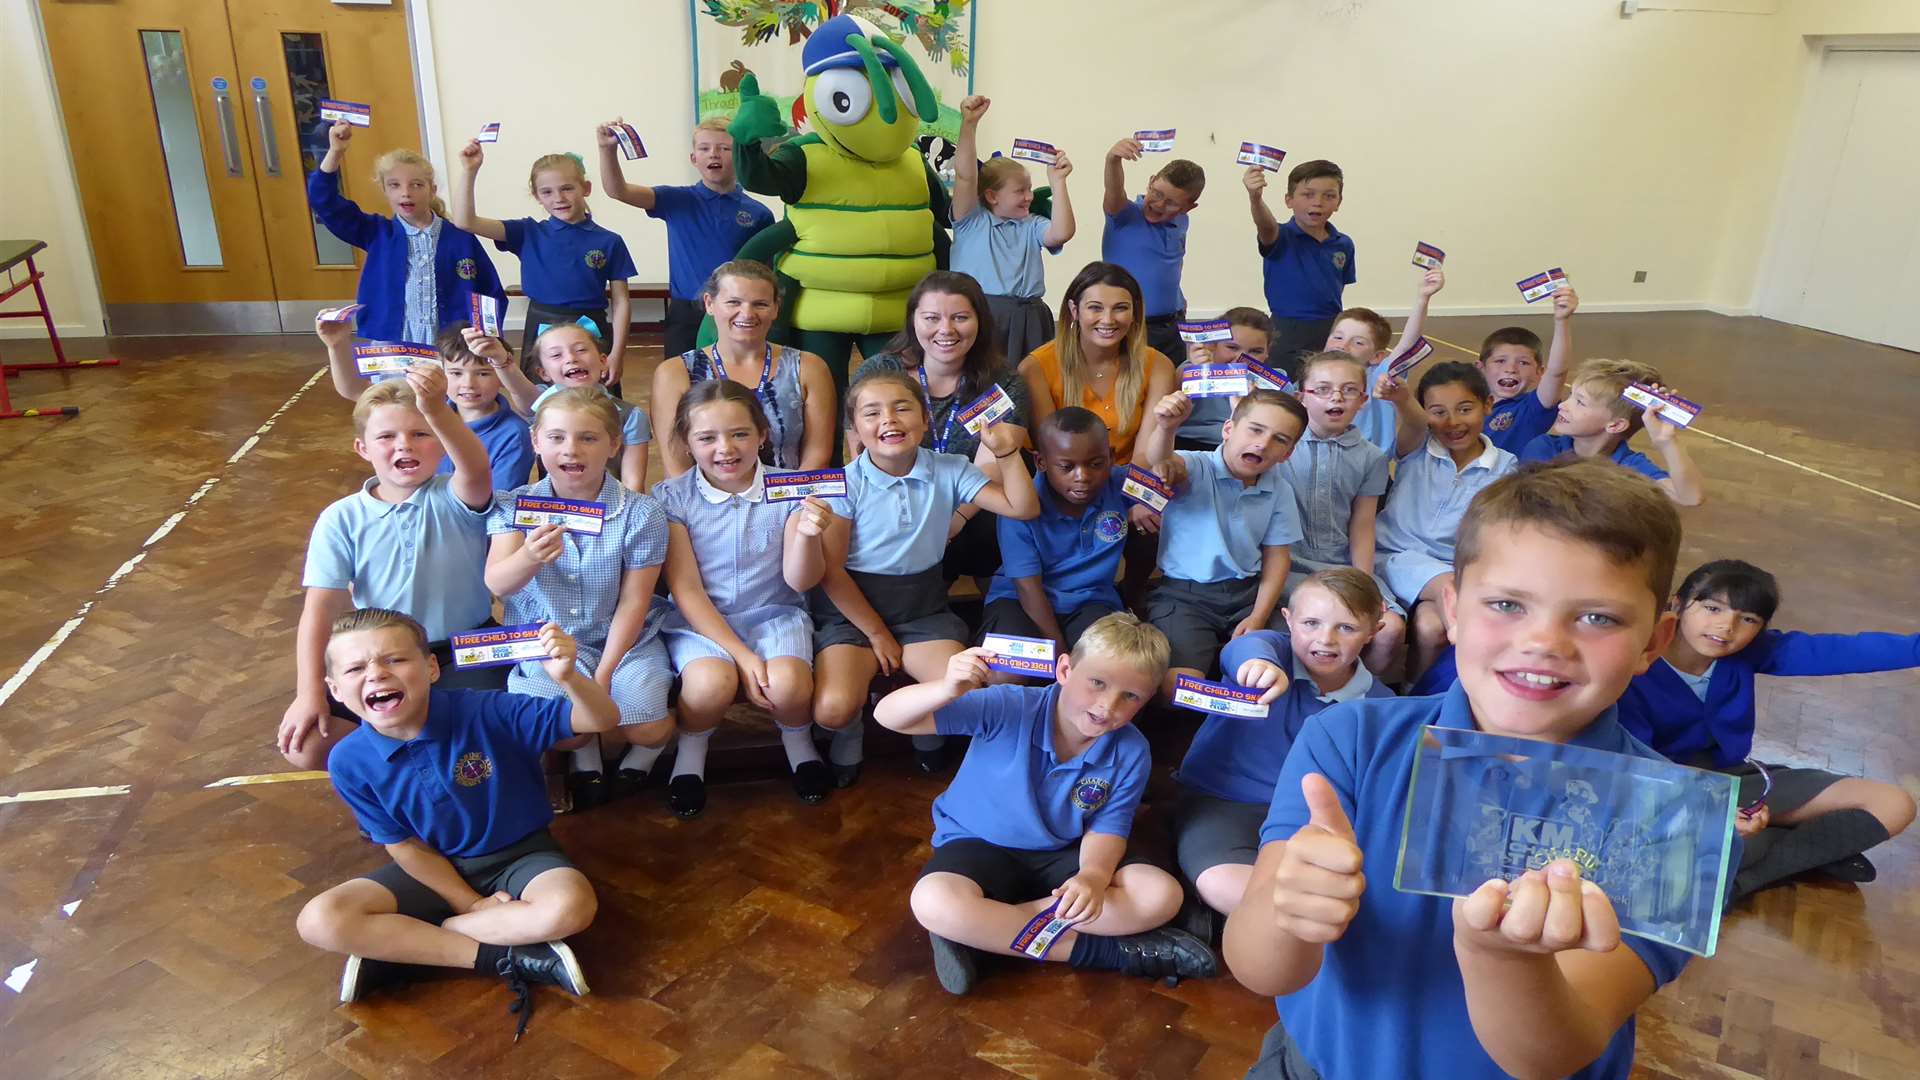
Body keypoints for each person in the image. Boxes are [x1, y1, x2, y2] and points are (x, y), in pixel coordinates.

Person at [1224, 459, 1720, 1080]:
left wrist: (1503, 958)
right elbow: (1259, 968)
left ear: (1655, 641)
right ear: (1452, 611)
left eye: (1599, 617)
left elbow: (1554, 1054)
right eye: (1508, 603)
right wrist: (1287, 911)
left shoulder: (1672, 816)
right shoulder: (1349, 739)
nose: (1545, 642)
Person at [294, 610, 609, 1035]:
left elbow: (601, 720)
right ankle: (502, 957)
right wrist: (468, 903)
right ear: (335, 690)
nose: (376, 675)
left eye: (394, 660)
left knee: (570, 907)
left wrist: (569, 678)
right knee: (319, 919)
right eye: (355, 668)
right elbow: (403, 844)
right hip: (433, 867)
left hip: (523, 855)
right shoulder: (347, 761)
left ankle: (409, 943)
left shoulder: (486, 710)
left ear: (431, 667)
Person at [876, 612, 1219, 994]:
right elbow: (888, 716)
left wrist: (1092, 876)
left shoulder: (1132, 750)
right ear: (1065, 669)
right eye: (1097, 683)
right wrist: (946, 688)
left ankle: (985, 934)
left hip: (1063, 852)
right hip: (978, 846)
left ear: (1147, 699)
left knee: (1160, 895)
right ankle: (1106, 952)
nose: (1107, 706)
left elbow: (1109, 826)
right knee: (933, 901)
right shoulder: (1008, 705)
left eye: (1130, 696)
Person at [1618, 559, 1916, 898]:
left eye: (1747, 619)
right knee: (1684, 855)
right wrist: (1709, 813)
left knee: (1895, 804)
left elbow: (1839, 651)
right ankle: (1797, 855)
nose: (1726, 627)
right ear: (1676, 605)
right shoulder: (1633, 663)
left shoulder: (1745, 653)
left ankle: (1745, 878)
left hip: (1732, 780)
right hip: (1661, 794)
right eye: (1712, 608)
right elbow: (1635, 769)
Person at [809, 370, 1039, 786]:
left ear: (925, 419)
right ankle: (851, 732)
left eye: (902, 408)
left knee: (967, 694)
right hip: (852, 612)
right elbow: (831, 572)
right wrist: (877, 633)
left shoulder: (949, 468)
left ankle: (923, 729)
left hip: (922, 609)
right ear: (855, 429)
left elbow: (1021, 508)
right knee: (833, 708)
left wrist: (1007, 456)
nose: (889, 420)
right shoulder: (844, 482)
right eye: (872, 412)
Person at [277, 368, 499, 771]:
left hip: (465, 648)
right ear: (362, 448)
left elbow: (477, 466)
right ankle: (398, 770)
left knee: (487, 726)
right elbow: (320, 610)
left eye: (420, 433)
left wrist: (436, 408)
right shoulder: (341, 518)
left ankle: (421, 757)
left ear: (441, 442)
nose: (404, 445)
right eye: (387, 437)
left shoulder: (456, 494)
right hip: (380, 656)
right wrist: (308, 690)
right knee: (306, 745)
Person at [484, 388, 674, 814]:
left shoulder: (641, 513)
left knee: (644, 726)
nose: (571, 449)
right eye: (556, 438)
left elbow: (634, 602)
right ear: (536, 442)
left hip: (620, 642)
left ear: (614, 444)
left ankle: (642, 760)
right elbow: (498, 583)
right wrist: (529, 557)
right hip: (543, 643)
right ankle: (584, 756)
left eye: (588, 438)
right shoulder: (513, 505)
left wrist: (602, 674)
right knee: (566, 729)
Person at [1173, 569, 1393, 931]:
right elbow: (1245, 647)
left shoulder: (1381, 705)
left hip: (1308, 820)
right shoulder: (1271, 650)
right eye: (1311, 623)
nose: (1326, 639)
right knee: (1225, 883)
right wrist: (1257, 666)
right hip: (1223, 803)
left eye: (1347, 628)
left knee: (1348, 889)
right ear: (1288, 620)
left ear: (1374, 631)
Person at [653, 380, 838, 807]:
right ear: (686, 442)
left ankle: (798, 744)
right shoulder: (672, 498)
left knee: (789, 687)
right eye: (707, 438)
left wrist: (809, 535)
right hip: (701, 621)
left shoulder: (790, 489)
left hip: (775, 613)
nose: (726, 449)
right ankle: (691, 753)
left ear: (763, 433)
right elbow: (686, 590)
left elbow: (800, 581)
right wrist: (743, 656)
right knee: (707, 687)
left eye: (739, 434)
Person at [853, 271, 1032, 584]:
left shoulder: (1004, 383)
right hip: (897, 495)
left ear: (980, 321)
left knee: (994, 527)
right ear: (913, 321)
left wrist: (954, 519)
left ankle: (994, 607)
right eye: (932, 318)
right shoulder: (879, 371)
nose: (946, 330)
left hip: (972, 503)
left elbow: (990, 469)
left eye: (960, 317)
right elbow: (860, 448)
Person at [1134, 389, 1310, 691]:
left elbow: (1278, 557)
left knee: (1273, 672)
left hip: (1247, 595)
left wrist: (1258, 615)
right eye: (1255, 429)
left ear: (1289, 453)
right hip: (1184, 596)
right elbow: (1160, 460)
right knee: (1177, 689)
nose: (1263, 443)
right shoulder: (1195, 466)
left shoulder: (1279, 490)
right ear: (1228, 429)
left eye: (1280, 439)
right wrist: (1166, 427)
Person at [1373, 362, 1518, 682]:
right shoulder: (1417, 445)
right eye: (1438, 412)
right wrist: (1401, 399)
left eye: (1465, 409)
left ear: (1488, 405)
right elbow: (1413, 419)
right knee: (1454, 593)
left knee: (1431, 628)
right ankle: (1479, 676)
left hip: (1450, 569)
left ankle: (1417, 696)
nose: (1452, 422)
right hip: (1395, 555)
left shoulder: (1505, 466)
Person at [451, 145, 637, 389]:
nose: (558, 198)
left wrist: (616, 354)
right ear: (537, 196)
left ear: (586, 188)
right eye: (547, 192)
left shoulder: (609, 241)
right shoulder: (527, 232)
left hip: (591, 329)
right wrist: (470, 170)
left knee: (599, 404)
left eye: (567, 188)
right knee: (540, 404)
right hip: (540, 326)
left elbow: (622, 301)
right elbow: (465, 221)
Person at [307, 122, 505, 346]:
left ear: (432, 189)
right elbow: (325, 202)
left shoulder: (460, 238)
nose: (405, 193)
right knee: (392, 384)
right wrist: (335, 151)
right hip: (391, 342)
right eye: (394, 185)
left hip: (450, 347)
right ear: (384, 190)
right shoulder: (377, 232)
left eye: (416, 185)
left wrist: (485, 340)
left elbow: (489, 293)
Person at [597, 116, 774, 359]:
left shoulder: (759, 213)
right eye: (704, 148)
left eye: (724, 148)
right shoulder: (676, 200)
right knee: (681, 382)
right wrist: (607, 150)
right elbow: (618, 190)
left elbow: (765, 272)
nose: (714, 154)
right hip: (686, 313)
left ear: (740, 156)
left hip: (737, 312)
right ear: (694, 159)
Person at [1280, 351, 1406, 674]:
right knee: (1299, 632)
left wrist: (1363, 583)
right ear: (1301, 397)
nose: (1336, 397)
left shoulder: (1371, 458)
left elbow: (1363, 525)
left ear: (1363, 400)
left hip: (1344, 566)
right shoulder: (1281, 447)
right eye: (1322, 389)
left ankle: (1354, 692)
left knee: (1389, 629)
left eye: (1349, 390)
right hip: (1287, 568)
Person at [650, 259, 835, 476]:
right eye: (734, 302)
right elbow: (676, 465)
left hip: (788, 501)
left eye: (760, 304)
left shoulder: (808, 368)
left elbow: (817, 454)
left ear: (776, 308)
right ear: (709, 303)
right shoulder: (675, 373)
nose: (747, 314)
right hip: (705, 505)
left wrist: (788, 504)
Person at [978, 408, 1135, 655]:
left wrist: (1156, 500)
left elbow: (1171, 480)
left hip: (1092, 601)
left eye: (1095, 464)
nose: (1082, 476)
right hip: (1020, 602)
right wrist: (1058, 650)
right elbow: (1027, 588)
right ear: (1041, 462)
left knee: (1104, 663)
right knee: (1006, 673)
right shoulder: (1020, 505)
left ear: (1111, 457)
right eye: (1066, 467)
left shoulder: (1123, 483)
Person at [320, 318, 533, 492]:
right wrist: (337, 345)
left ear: (501, 377)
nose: (469, 384)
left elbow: (493, 502)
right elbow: (355, 390)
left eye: (484, 373)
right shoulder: (424, 409)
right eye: (456, 373)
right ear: (441, 371)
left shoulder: (514, 433)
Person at [949, 95, 1074, 361]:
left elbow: (1062, 233)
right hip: (983, 313)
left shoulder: (1032, 225)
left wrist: (1059, 182)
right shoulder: (971, 220)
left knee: (1030, 383)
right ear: (992, 196)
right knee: (984, 380)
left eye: (1029, 189)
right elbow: (965, 176)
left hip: (1030, 317)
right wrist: (968, 125)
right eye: (1020, 191)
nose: (1029, 196)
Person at [1020, 262, 1178, 468]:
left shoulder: (1159, 366)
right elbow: (1053, 458)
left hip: (1130, 484)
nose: (1108, 319)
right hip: (1065, 485)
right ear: (1074, 310)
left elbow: (1146, 457)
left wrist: (1119, 495)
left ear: (1134, 312)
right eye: (1095, 307)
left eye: (1120, 308)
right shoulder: (1035, 368)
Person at [472, 324, 652, 488]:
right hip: (555, 510)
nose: (571, 358)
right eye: (556, 355)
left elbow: (633, 484)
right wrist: (499, 358)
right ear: (543, 373)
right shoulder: (542, 403)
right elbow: (519, 389)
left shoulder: (631, 416)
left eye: (581, 350)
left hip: (608, 510)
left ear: (603, 360)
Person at [1518, 358, 1707, 506]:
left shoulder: (1630, 467)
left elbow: (1690, 498)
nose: (1562, 406)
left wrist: (1667, 441)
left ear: (1615, 425)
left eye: (1580, 402)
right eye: (1570, 396)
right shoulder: (1542, 448)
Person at [1101, 139, 1204, 362]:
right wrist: (1113, 160)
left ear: (1188, 207)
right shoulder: (1125, 216)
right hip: (1131, 326)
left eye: (1171, 203)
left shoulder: (1181, 223)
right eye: (1156, 193)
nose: (1158, 205)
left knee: (1169, 387)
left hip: (1172, 325)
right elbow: (1114, 189)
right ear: (1150, 182)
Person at [1247, 159, 1354, 371]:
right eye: (1308, 194)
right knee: (1286, 391)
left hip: (1330, 327)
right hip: (1286, 330)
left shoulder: (1343, 244)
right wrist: (1255, 198)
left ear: (1339, 202)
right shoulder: (1279, 236)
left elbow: (1338, 286)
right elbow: (1265, 225)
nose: (1318, 202)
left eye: (1329, 195)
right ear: (1289, 200)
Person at [1337, 269, 1444, 453]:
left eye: (1358, 342)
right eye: (1338, 337)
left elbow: (1406, 346)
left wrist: (1422, 299)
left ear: (1377, 357)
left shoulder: (1379, 377)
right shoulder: (1315, 379)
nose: (1343, 346)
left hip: (1371, 469)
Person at [1473, 285, 1580, 453]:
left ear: (1539, 373)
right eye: (1500, 361)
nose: (1511, 369)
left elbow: (1557, 372)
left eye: (1523, 363)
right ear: (1480, 368)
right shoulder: (1468, 402)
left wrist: (1562, 321)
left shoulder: (1532, 409)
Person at [1174, 307, 1275, 452]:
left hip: (1249, 447)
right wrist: (1199, 371)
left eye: (1255, 351)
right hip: (1191, 444)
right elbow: (1168, 407)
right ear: (1213, 345)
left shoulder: (1274, 383)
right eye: (1232, 347)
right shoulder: (1191, 370)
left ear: (1268, 351)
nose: (1241, 358)